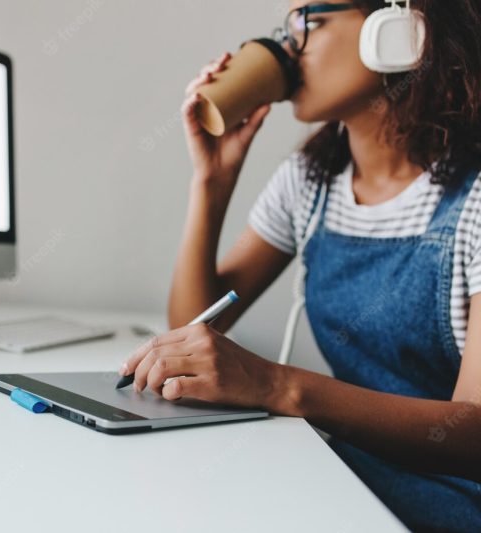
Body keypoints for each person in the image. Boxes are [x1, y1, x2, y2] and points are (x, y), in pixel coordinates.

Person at [119, 1, 481, 530]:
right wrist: (212, 182)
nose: (289, 47)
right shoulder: (310, 183)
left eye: (308, 21)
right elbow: (194, 324)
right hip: (354, 476)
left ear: (401, 28)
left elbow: (473, 434)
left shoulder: (472, 199)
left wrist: (278, 386)